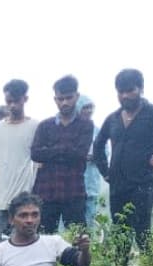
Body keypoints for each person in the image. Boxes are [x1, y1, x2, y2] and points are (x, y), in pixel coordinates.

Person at [93, 69, 153, 265]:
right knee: (120, 231)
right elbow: (98, 145)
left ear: (141, 89)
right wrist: (105, 172)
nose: (125, 96)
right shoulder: (113, 118)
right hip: (117, 184)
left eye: (130, 90)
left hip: (142, 183)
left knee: (142, 231)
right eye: (120, 91)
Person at [31, 75, 94, 232]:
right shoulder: (45, 125)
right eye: (60, 99)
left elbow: (80, 154)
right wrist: (65, 150)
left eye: (68, 98)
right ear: (55, 99)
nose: (64, 102)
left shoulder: (86, 125)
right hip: (46, 191)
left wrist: (50, 151)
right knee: (43, 237)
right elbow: (35, 154)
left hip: (73, 190)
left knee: (78, 237)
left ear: (77, 96)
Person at [0, 80, 41, 250]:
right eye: (9, 101)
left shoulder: (34, 126)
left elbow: (37, 163)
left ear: (25, 99)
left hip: (23, 196)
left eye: (16, 101)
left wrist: (31, 192)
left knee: (23, 244)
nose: (13, 105)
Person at [77, 96, 103, 228]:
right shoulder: (72, 129)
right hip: (74, 183)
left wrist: (95, 156)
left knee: (90, 217)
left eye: (90, 107)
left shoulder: (97, 131)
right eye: (85, 107)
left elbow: (105, 151)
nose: (88, 111)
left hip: (91, 179)